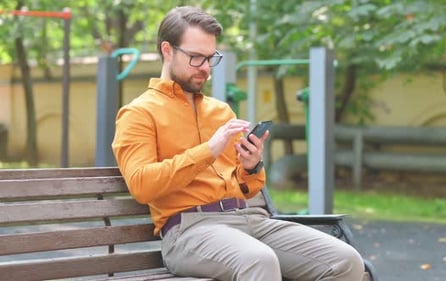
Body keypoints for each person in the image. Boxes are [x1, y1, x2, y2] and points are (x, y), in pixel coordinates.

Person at [112, 6, 365, 281]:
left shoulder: (220, 112)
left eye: (211, 58)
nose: (206, 69)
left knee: (345, 261)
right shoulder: (138, 113)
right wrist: (208, 150)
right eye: (196, 58)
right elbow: (141, 184)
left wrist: (251, 166)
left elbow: (247, 188)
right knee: (258, 261)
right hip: (190, 230)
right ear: (167, 50)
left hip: (251, 220)